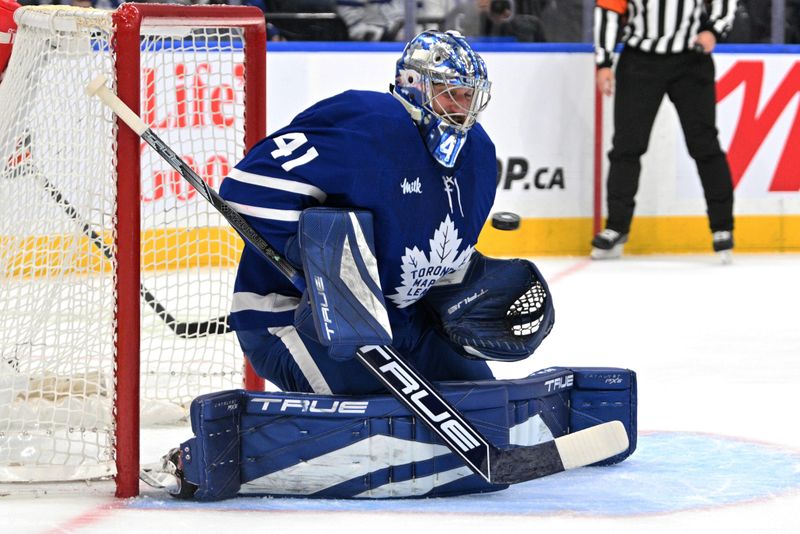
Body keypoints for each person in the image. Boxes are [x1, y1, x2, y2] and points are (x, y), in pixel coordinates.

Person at [218, 30, 552, 397]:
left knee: (484, 405)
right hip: (290, 317)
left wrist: (469, 283)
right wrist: (321, 264)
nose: (461, 108)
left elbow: (425, 248)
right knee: (384, 413)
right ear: (414, 85)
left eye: (468, 95)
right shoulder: (366, 124)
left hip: (401, 321)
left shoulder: (479, 156)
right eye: (450, 93)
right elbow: (245, 188)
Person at [592, 0, 737, 262]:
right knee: (627, 146)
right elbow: (608, 10)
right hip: (640, 60)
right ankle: (616, 227)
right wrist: (604, 62)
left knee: (704, 144)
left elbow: (724, 4)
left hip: (691, 59)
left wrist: (713, 30)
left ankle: (722, 227)